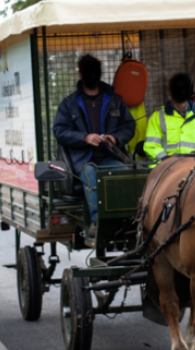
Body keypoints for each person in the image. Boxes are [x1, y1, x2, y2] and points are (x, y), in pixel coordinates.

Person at [53, 54, 136, 238]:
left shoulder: (116, 100)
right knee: (92, 175)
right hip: (84, 161)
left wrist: (115, 138)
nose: (92, 77)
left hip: (111, 157)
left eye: (95, 73)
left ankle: (128, 222)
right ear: (80, 75)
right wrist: (84, 137)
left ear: (99, 74)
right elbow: (59, 131)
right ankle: (100, 224)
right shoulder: (69, 104)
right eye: (88, 73)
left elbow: (129, 127)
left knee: (125, 173)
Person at [144, 73, 195, 164]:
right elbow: (151, 146)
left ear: (169, 91)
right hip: (165, 170)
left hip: (194, 169)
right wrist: (167, 161)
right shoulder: (157, 117)